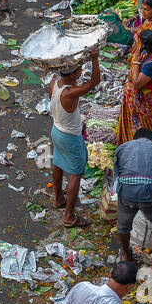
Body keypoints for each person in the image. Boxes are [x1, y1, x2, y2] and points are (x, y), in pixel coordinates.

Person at [48, 52, 101, 228]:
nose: (81, 70)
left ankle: (58, 198)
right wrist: (94, 58)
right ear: (71, 74)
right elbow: (94, 83)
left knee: (58, 163)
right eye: (78, 69)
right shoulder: (70, 93)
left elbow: (73, 81)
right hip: (70, 136)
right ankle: (69, 216)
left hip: (56, 130)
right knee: (75, 173)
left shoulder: (54, 84)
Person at [113, 127, 152, 275]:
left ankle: (126, 254)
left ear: (134, 138)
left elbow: (117, 176)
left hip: (126, 192)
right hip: (149, 194)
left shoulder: (122, 147)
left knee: (123, 227)